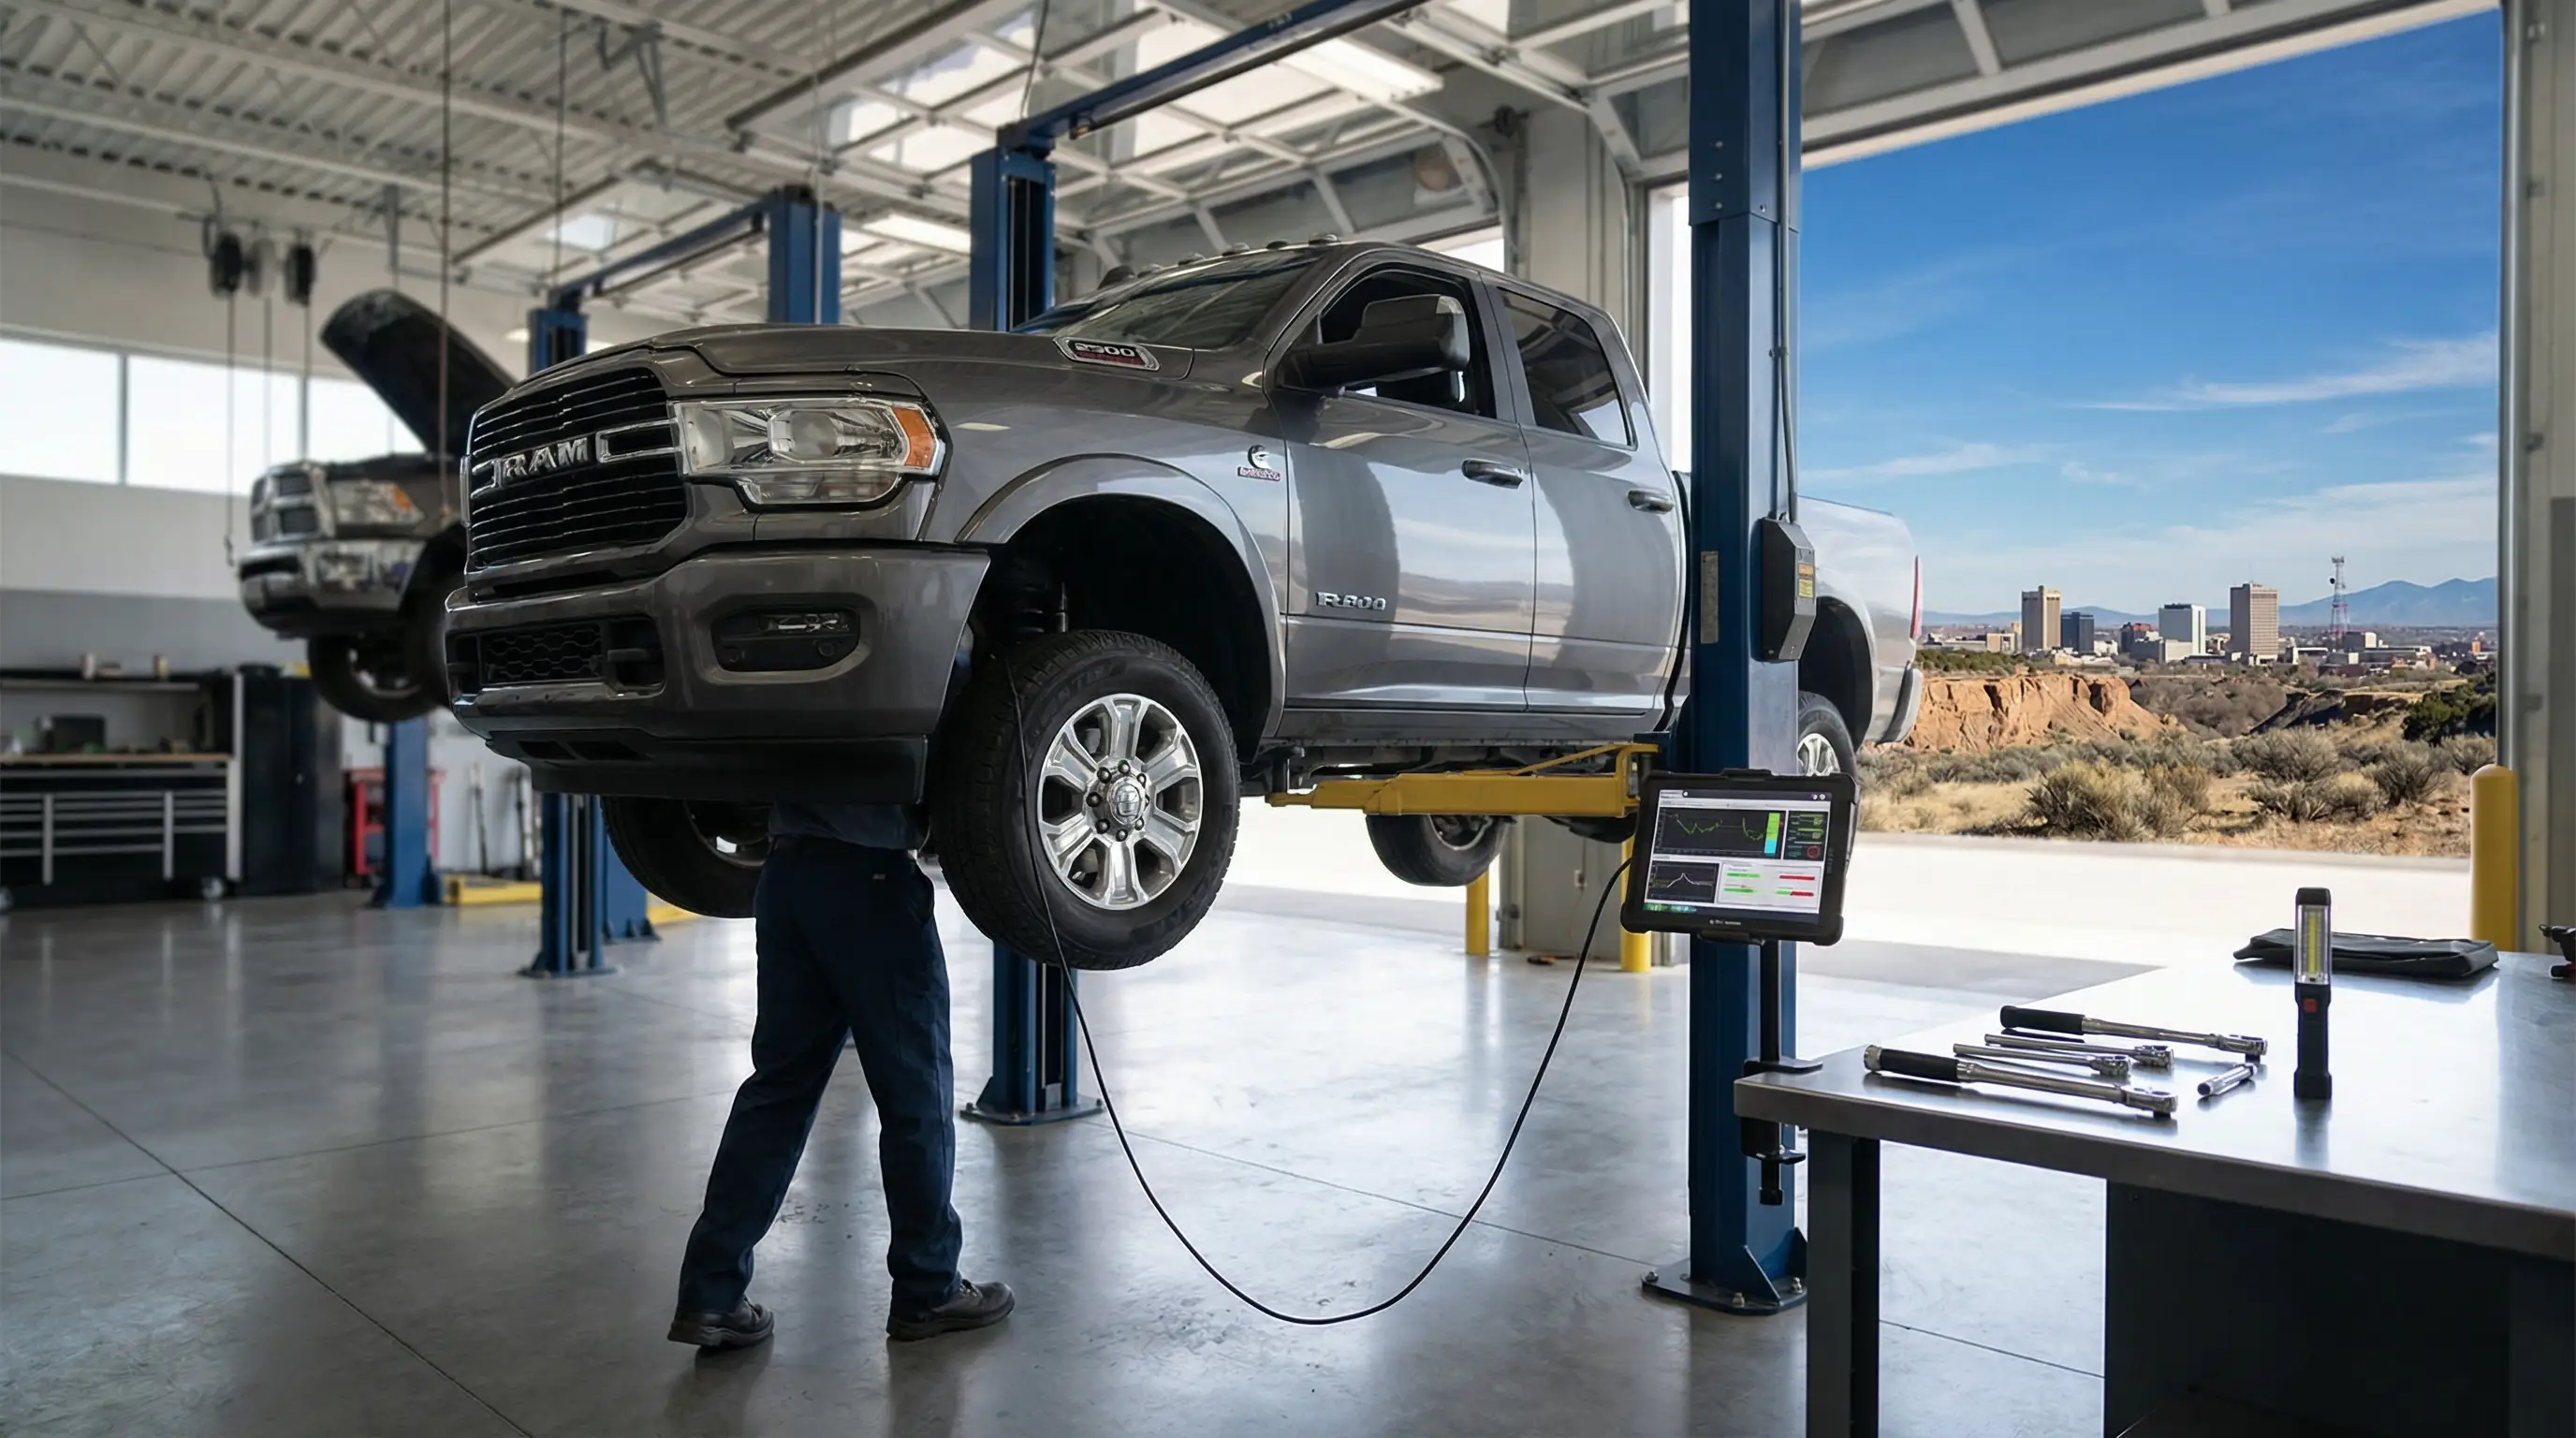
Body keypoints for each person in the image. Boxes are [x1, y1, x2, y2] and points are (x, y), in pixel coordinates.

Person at [668, 800, 1014, 1347]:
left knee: (777, 1090)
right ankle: (928, 1288)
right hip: (870, 875)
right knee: (914, 1095)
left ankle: (711, 1294)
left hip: (785, 874)